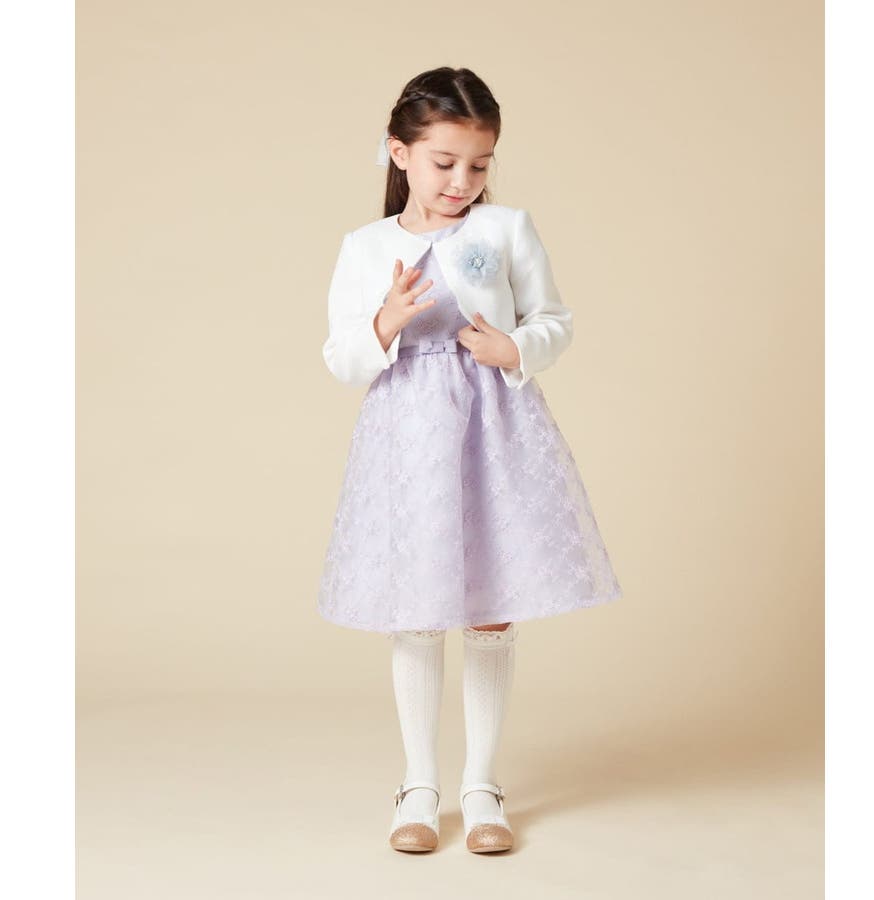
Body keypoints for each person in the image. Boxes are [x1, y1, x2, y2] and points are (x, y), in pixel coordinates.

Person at [318, 67, 624, 853]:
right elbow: (342, 358)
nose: (462, 181)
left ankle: (482, 786)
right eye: (444, 162)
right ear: (400, 153)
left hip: (494, 428)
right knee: (417, 608)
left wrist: (514, 347)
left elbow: (554, 318)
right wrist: (385, 321)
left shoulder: (506, 229)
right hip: (408, 439)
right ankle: (418, 788)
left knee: (493, 601)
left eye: (479, 164)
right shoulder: (366, 247)